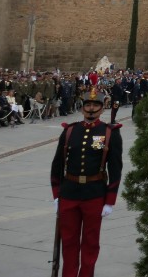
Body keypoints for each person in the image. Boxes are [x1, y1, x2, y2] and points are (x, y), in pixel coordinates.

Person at [50, 86, 124, 277]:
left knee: (90, 243)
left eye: (95, 105)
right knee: (68, 241)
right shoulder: (70, 131)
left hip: (94, 194)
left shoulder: (109, 132)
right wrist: (56, 194)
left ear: (102, 107)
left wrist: (110, 201)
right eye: (88, 105)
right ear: (82, 107)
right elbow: (57, 165)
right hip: (69, 193)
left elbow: (115, 169)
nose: (91, 109)